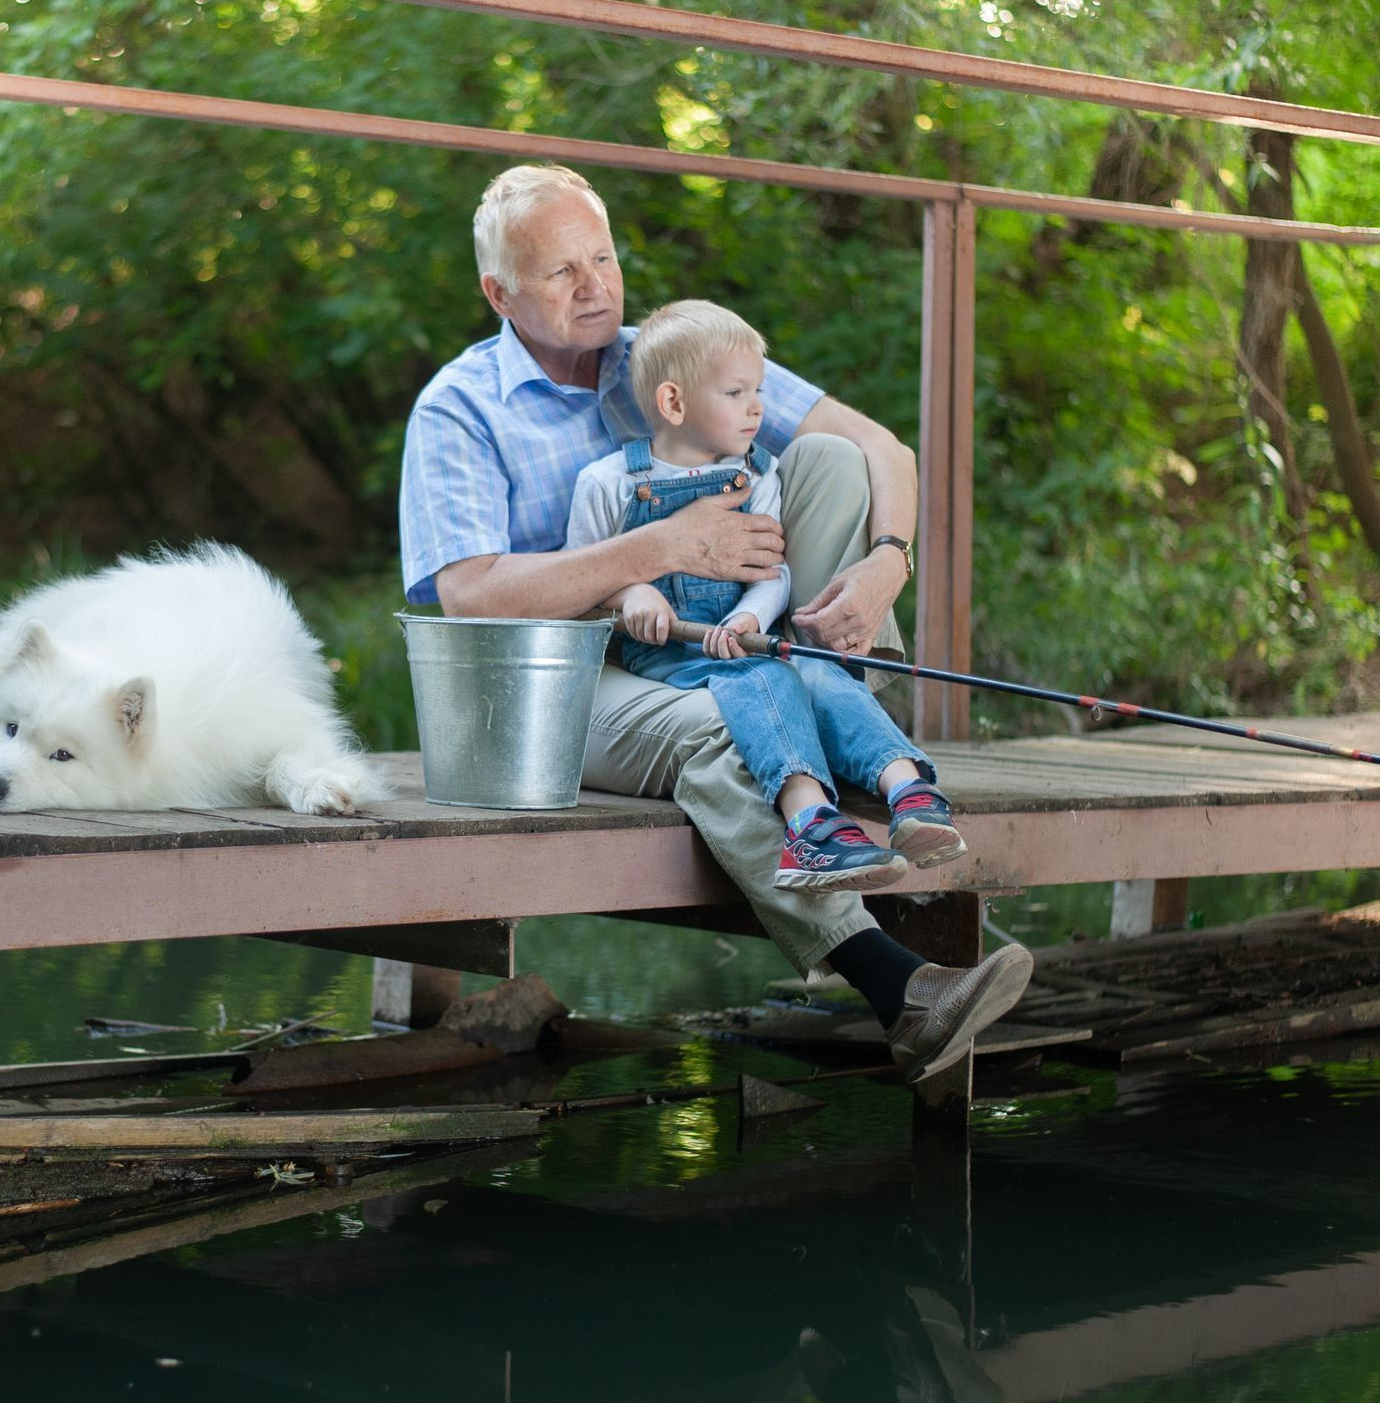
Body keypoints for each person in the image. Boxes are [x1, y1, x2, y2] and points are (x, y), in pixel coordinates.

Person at [398, 164, 1030, 1081]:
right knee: (732, 726)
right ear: (499, 292)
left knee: (826, 460)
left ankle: (832, 676)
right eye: (560, 273)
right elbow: (469, 595)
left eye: (603, 258)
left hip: (733, 636)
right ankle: (902, 989)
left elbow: (882, 448)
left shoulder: (672, 358)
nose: (596, 287)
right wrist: (659, 549)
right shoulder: (457, 408)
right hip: (562, 690)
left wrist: (888, 563)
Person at [565, 299, 971, 897]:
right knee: (768, 684)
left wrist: (747, 617)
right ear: (673, 403)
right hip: (668, 658)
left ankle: (907, 789)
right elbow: (586, 576)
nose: (757, 406)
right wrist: (634, 592)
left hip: (741, 636)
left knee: (820, 671)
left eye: (757, 390)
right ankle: (809, 824)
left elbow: (772, 570)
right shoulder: (608, 482)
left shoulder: (758, 477)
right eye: (736, 393)